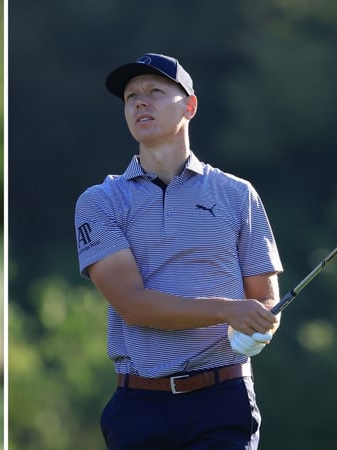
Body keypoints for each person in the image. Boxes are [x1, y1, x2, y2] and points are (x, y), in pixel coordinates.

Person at [74, 53, 283, 449]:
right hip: (139, 405)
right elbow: (134, 306)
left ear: (189, 106)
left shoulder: (237, 195)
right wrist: (227, 310)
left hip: (224, 400)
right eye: (131, 96)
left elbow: (263, 298)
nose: (140, 101)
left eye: (155, 91)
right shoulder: (100, 201)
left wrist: (259, 325)